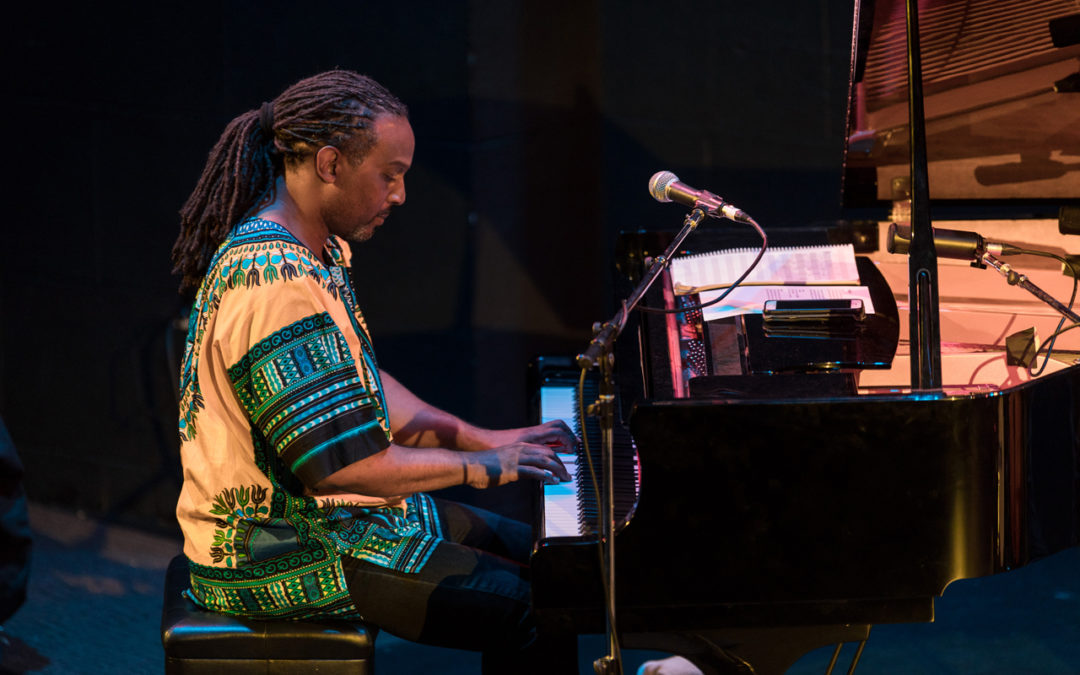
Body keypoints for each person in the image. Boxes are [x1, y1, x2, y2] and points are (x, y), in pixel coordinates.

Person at [170, 69, 575, 672]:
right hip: (278, 550)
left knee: (548, 563)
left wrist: (478, 436)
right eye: (390, 175)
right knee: (537, 611)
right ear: (330, 164)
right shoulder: (277, 283)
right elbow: (342, 466)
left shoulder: (315, 250)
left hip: (337, 519)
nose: (400, 194)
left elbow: (360, 384)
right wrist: (482, 466)